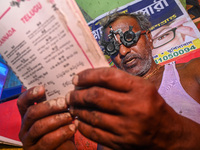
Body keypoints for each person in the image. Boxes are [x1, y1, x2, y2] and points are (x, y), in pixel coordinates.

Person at [17, 12, 200, 150]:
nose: (122, 52)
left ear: (149, 38)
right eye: (112, 47)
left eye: (129, 38)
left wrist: (175, 133)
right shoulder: (104, 108)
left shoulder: (193, 71)